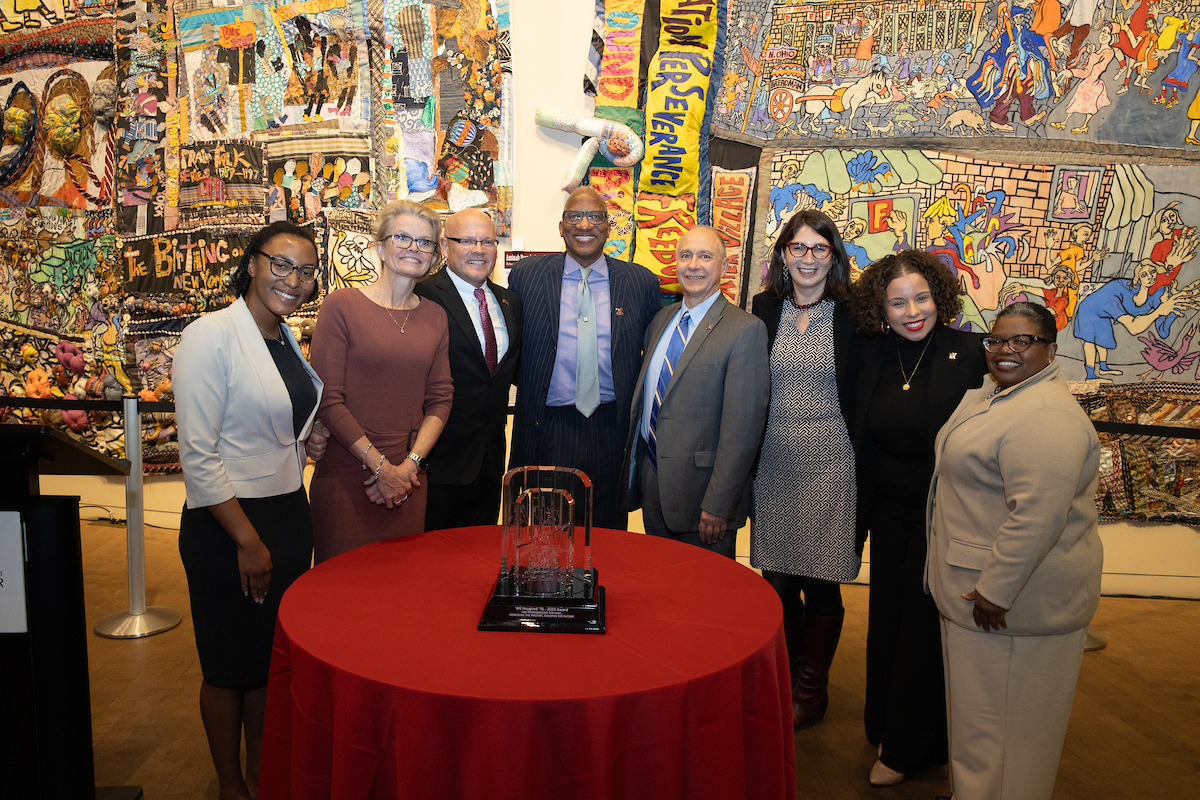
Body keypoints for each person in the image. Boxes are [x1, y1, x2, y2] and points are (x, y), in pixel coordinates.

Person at [174, 221, 327, 800]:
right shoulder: (210, 336)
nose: (293, 279)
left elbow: (278, 415)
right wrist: (246, 540)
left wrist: (305, 441)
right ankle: (231, 785)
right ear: (252, 264)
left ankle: (265, 775)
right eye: (280, 264)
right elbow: (199, 452)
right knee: (226, 665)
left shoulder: (283, 335)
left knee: (267, 660)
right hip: (228, 526)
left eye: (306, 270)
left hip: (287, 514)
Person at [928, 301, 1103, 800]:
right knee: (983, 733)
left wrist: (995, 591)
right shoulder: (999, 397)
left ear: (1049, 350)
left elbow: (1037, 517)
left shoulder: (1045, 416)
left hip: (1008, 610)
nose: (1005, 351)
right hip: (980, 601)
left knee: (1011, 745)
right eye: (997, 340)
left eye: (1021, 341)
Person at [847, 251, 986, 786]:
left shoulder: (970, 354)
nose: (912, 312)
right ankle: (886, 727)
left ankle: (908, 749)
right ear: (881, 307)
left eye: (922, 298)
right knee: (886, 622)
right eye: (898, 301)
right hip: (889, 515)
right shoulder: (875, 354)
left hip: (947, 519)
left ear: (939, 298)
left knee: (924, 633)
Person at [750, 209, 861, 730]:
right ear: (783, 255)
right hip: (773, 463)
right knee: (774, 578)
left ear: (834, 257)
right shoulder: (764, 308)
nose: (809, 258)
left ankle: (811, 690)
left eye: (820, 249)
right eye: (799, 248)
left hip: (832, 463)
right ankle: (788, 674)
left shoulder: (855, 315)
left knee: (819, 582)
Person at [507, 186, 660, 529]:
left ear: (608, 227)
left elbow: (652, 352)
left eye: (594, 217)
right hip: (548, 426)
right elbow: (514, 348)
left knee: (608, 533)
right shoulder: (526, 276)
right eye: (574, 216)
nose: (584, 225)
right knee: (546, 533)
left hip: (612, 427)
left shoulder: (640, 283)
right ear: (561, 227)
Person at [309, 199, 453, 563]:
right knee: (341, 593)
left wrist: (409, 466)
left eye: (425, 242)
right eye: (402, 237)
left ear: (435, 257)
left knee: (400, 596)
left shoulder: (435, 316)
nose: (413, 248)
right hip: (346, 473)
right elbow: (328, 399)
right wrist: (380, 468)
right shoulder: (340, 306)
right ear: (380, 248)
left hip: (409, 478)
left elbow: (440, 399)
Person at [624, 226, 769, 557]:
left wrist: (719, 503)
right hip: (655, 486)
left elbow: (743, 431)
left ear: (724, 266)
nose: (693, 265)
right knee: (660, 588)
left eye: (705, 256)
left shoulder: (744, 330)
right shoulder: (660, 321)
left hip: (704, 498)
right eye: (685, 255)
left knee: (706, 599)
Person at [415, 208, 521, 529]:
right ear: (445, 248)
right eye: (467, 240)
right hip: (435, 467)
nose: (479, 249)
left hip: (490, 467)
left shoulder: (509, 303)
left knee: (480, 564)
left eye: (487, 241)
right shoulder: (422, 297)